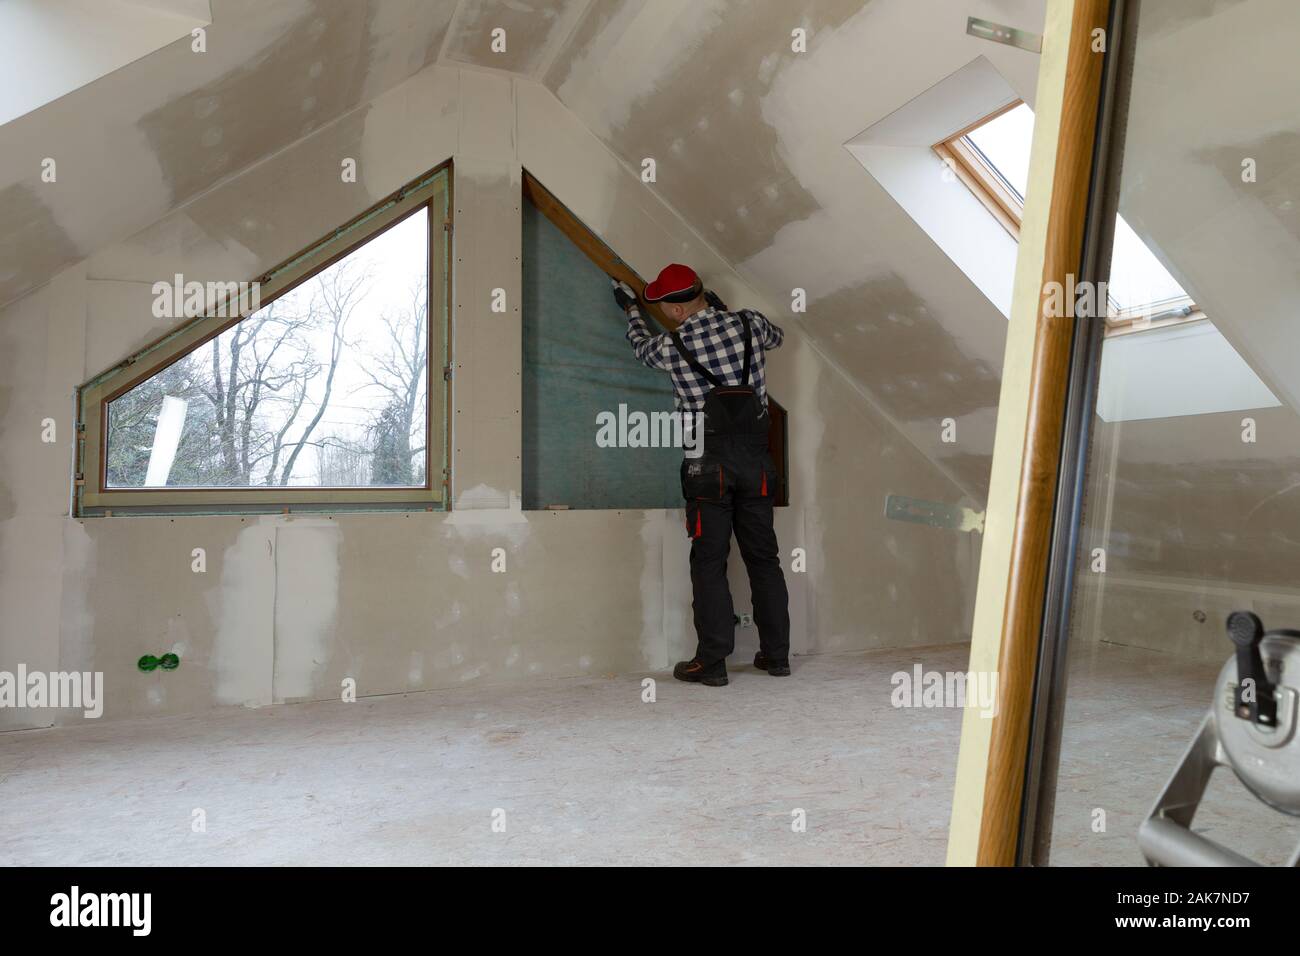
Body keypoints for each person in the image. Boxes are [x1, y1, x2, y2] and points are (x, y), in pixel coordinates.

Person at [613, 263, 790, 687]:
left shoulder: (671, 347)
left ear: (674, 312)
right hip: (757, 465)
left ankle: (711, 663)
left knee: (709, 563)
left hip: (706, 465)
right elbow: (777, 338)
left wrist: (631, 310)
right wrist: (726, 313)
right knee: (764, 560)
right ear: (702, 293)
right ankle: (777, 656)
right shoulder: (750, 323)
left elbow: (640, 348)